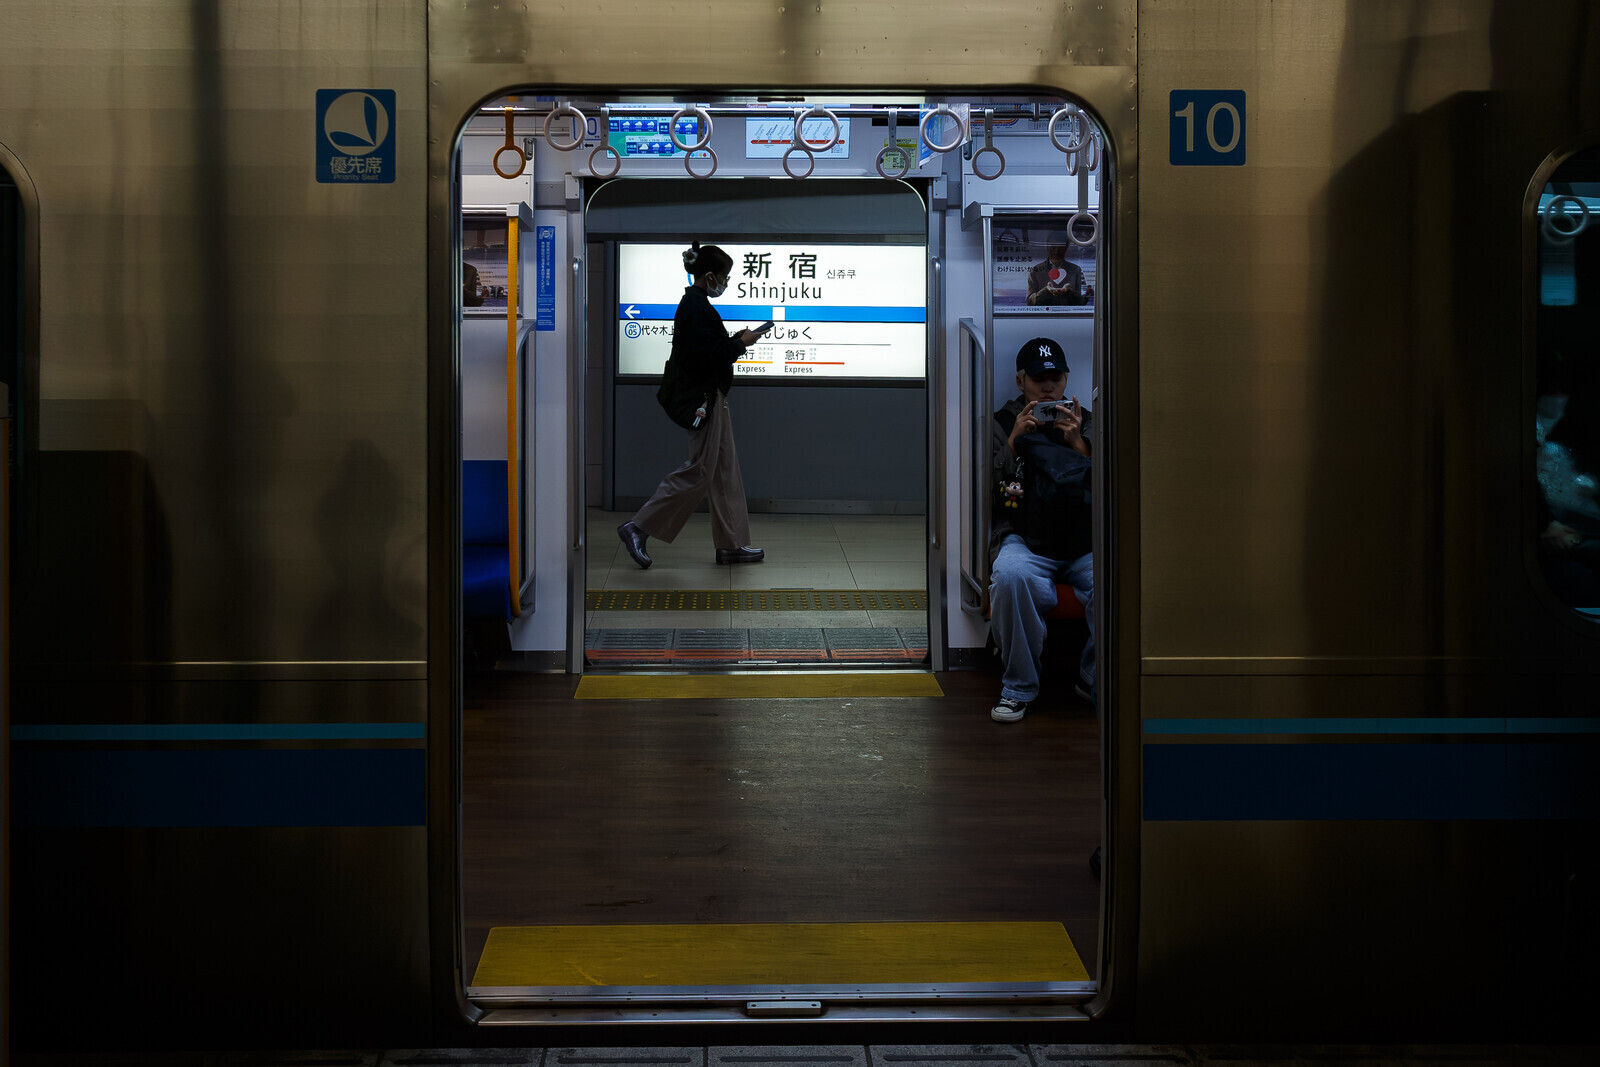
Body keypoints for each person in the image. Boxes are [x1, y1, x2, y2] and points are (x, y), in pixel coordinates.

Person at [618, 241, 770, 568]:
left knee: (724, 471)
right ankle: (638, 526)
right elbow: (706, 359)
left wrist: (733, 342)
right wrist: (739, 344)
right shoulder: (695, 307)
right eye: (725, 277)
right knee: (701, 469)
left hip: (712, 396)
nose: (726, 283)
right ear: (710, 276)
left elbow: (705, 352)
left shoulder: (695, 304)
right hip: (704, 399)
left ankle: (732, 544)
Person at [988, 337, 1095, 723]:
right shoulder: (1002, 424)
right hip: (1026, 537)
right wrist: (1015, 443)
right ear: (1021, 382)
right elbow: (987, 492)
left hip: (1083, 540)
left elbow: (1110, 488)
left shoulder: (1088, 419)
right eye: (1038, 379)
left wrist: (1078, 444)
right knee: (1010, 576)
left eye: (1056, 378)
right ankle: (1018, 688)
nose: (1048, 387)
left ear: (1066, 379)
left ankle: (1093, 678)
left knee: (1116, 582)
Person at [1025, 231, 1088, 306]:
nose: (1056, 251)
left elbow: (1084, 300)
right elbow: (1029, 302)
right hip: (1043, 317)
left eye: (1060, 247)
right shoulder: (1036, 270)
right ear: (1047, 247)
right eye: (1053, 247)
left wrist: (1068, 292)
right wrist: (1046, 291)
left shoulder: (1076, 270)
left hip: (1069, 316)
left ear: (1066, 248)